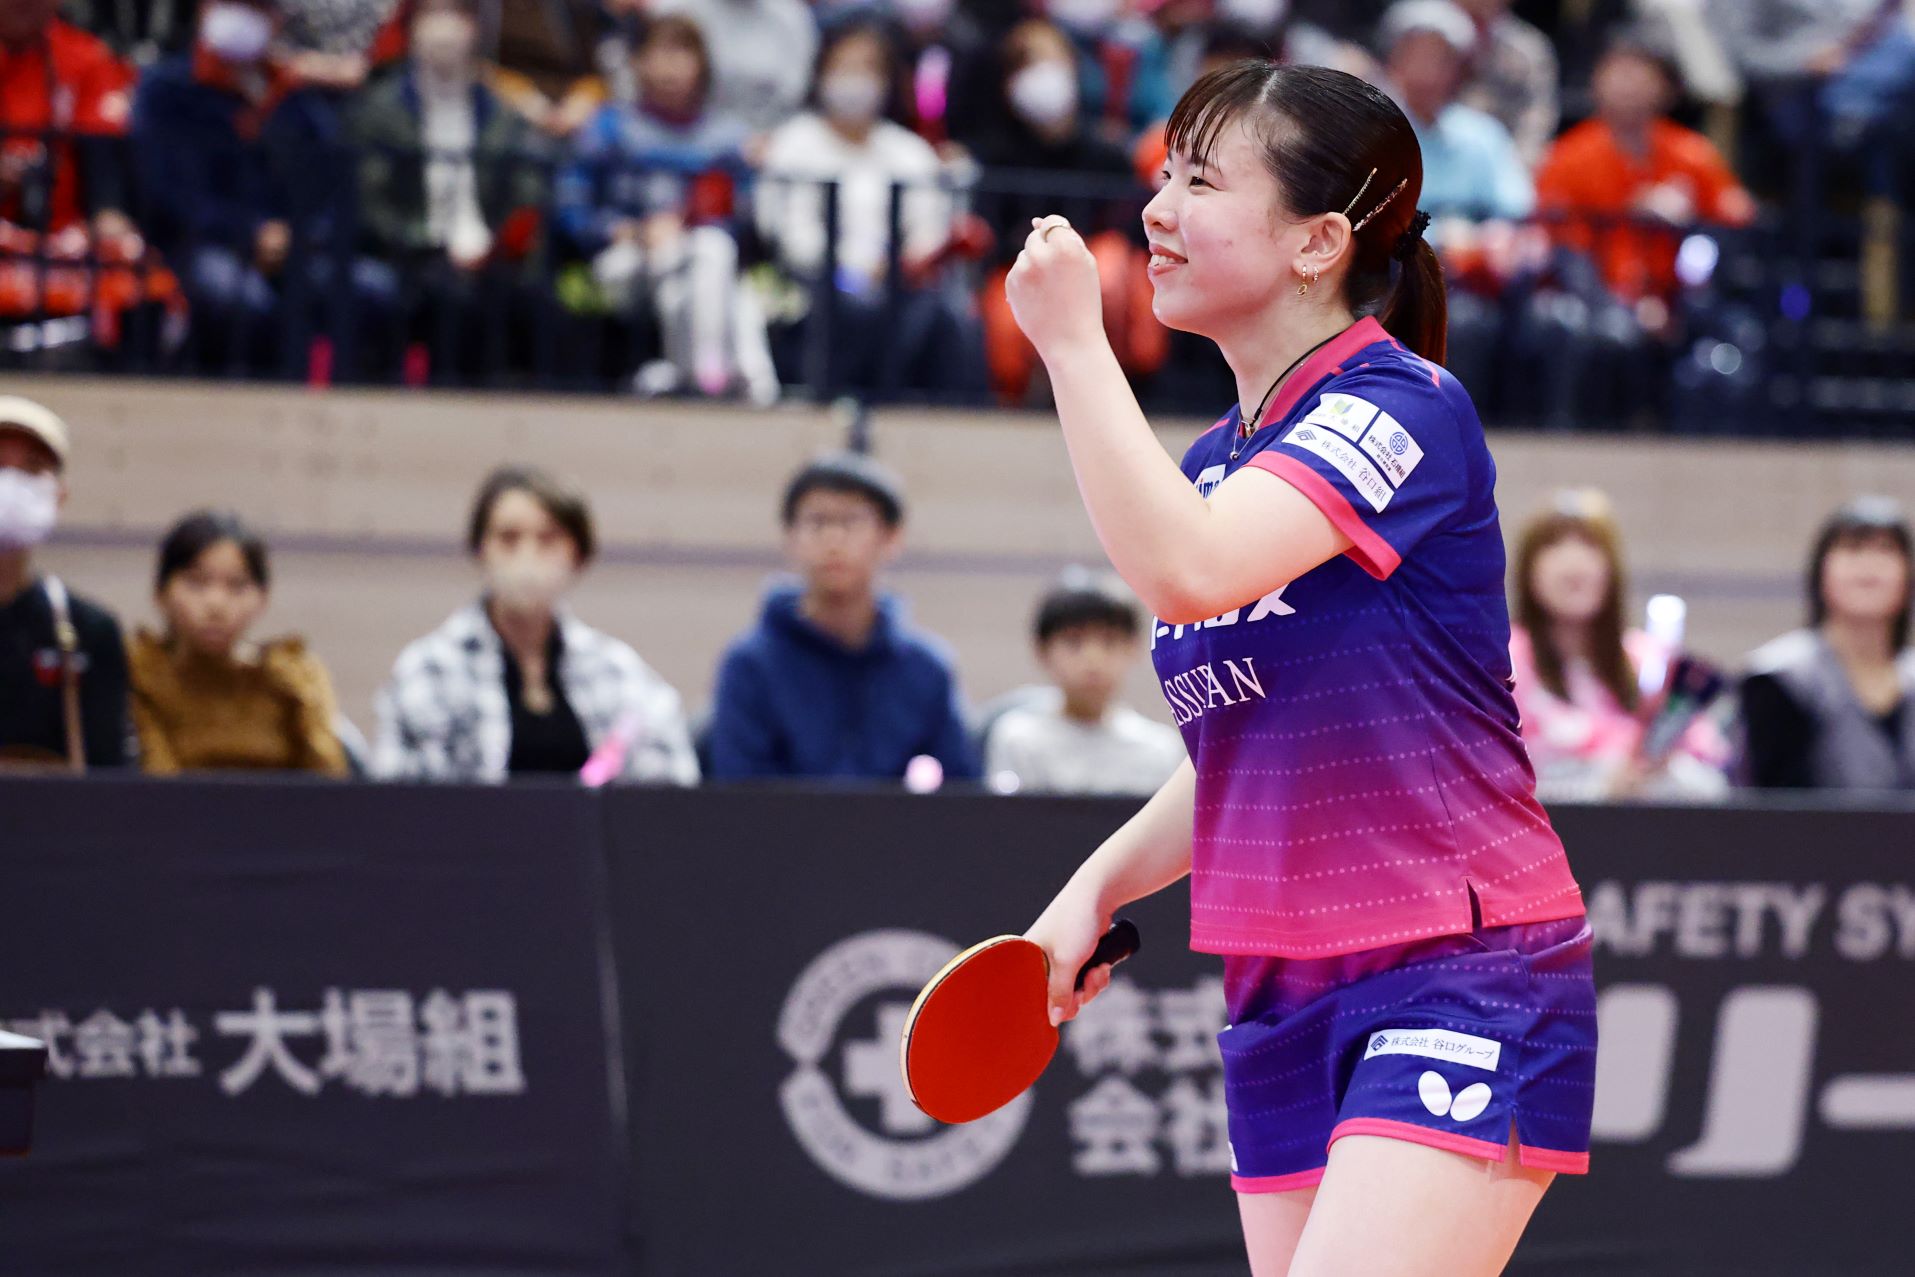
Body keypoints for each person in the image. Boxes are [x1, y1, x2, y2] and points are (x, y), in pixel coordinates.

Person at [1008, 61, 1593, 1274]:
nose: (1157, 210)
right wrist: (1093, 888)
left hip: (1457, 961)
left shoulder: (1405, 407)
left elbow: (1188, 570)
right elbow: (1235, 745)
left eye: (1200, 182)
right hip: (1275, 986)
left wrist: (1071, 342)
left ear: (1318, 241)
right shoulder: (1215, 464)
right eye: (1162, 176)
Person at [374, 465, 699, 784]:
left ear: (577, 553)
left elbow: (673, 792)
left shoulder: (620, 672)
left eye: (547, 539)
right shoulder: (428, 669)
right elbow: (396, 801)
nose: (527, 556)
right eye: (509, 538)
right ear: (480, 549)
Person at [706, 452, 979, 782]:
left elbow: (959, 790)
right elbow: (739, 791)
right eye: (817, 523)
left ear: (891, 537)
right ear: (790, 537)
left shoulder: (927, 669)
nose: (833, 540)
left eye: (852, 522)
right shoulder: (750, 665)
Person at [754, 21, 986, 397]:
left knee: (950, 315)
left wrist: (899, 264)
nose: (855, 80)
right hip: (816, 282)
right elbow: (789, 232)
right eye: (844, 67)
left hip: (898, 281)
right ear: (821, 73)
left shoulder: (908, 150)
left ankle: (944, 415)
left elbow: (927, 225)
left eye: (868, 68)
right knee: (850, 308)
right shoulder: (794, 143)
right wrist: (852, 267)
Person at [555, 12, 776, 402]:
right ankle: (740, 385)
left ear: (702, 66)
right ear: (639, 63)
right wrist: (631, 231)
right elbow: (571, 205)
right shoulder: (608, 128)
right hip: (623, 261)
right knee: (719, 278)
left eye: (683, 54)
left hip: (698, 258)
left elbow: (743, 220)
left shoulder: (728, 139)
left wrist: (690, 224)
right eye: (660, 54)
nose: (671, 68)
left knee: (709, 251)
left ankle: (688, 376)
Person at [350, 0, 547, 383]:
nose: (445, 30)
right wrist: (426, 243)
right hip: (410, 253)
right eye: (432, 15)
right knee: (448, 298)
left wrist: (499, 244)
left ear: (475, 29)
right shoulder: (379, 109)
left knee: (533, 301)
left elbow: (528, 190)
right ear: (411, 29)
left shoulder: (501, 111)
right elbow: (369, 200)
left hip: (488, 255)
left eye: (455, 15)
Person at [971, 18, 1165, 404]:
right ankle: (1021, 402)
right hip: (1021, 268)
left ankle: (1116, 391)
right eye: (1028, 64)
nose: (1042, 75)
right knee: (1004, 314)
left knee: (1112, 271)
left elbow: (1130, 229)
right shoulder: (994, 156)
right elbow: (990, 241)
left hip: (1095, 266)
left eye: (1051, 61)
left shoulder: (1108, 154)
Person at [1508, 490, 1728, 800]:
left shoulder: (1649, 660)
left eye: (1590, 546)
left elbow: (1713, 778)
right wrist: (1600, 787)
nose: (1574, 562)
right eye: (1553, 545)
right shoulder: (1502, 663)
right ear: (1528, 569)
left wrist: (1660, 769)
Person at [1534, 37, 1756, 310]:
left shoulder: (1690, 152)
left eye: (1640, 76)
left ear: (1665, 88)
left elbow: (1739, 214)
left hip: (1678, 297)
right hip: (1596, 298)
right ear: (1596, 82)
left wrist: (1691, 214)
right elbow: (1557, 237)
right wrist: (1632, 211)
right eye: (1619, 74)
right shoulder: (1568, 156)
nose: (1629, 87)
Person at [126, 511, 348, 776]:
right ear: (160, 592)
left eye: (237, 585)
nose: (216, 604)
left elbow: (330, 780)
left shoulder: (294, 673)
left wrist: (303, 697)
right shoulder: (140, 671)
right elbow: (155, 783)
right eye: (197, 583)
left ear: (262, 598)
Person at [1740, 496, 1915, 790]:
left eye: (1886, 550)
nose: (1869, 565)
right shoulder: (1779, 681)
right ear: (1820, 571)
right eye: (1853, 548)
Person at [0, 396, 130, 768]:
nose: (10, 483)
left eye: (32, 467)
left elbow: (110, 773)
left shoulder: (89, 629)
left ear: (59, 495)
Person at [984, 571, 1185, 795]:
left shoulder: (1160, 750)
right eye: (1074, 642)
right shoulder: (1018, 740)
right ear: (1042, 650)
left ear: (1133, 648)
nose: (1092, 659)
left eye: (1109, 641)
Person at [653, 0, 818, 133]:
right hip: (679, 134)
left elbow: (794, 97)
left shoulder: (791, 16)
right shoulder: (673, 8)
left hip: (767, 139)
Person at [1453, 0, 1558, 166]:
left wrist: (1515, 171)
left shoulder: (1529, 49)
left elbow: (1537, 119)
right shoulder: (1424, 37)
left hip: (1505, 164)